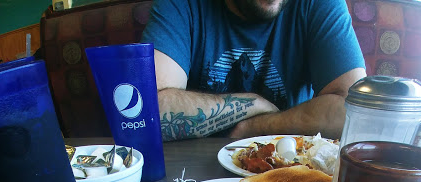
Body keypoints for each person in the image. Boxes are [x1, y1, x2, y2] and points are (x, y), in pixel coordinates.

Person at [141, 0, 366, 141]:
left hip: (291, 168)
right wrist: (252, 104)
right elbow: (146, 110)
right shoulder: (180, 5)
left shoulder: (320, 4)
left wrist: (257, 126)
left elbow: (357, 112)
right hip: (193, 176)